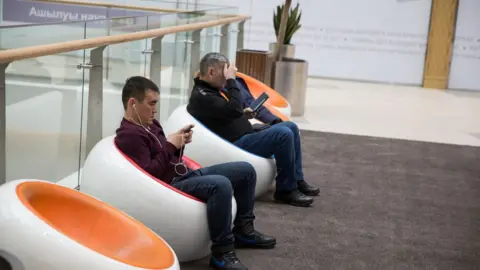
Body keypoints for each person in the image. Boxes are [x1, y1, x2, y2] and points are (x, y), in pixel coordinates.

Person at [115, 76, 276, 270]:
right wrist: (169, 145)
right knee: (220, 184)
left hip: (183, 174)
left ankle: (243, 230)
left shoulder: (151, 124)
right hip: (169, 185)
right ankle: (221, 252)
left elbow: (164, 155)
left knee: (245, 170)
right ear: (133, 103)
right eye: (151, 103)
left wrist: (178, 142)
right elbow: (151, 174)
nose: (155, 109)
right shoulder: (129, 135)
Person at [187, 52, 320, 208]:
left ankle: (296, 180)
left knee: (290, 126)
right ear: (211, 72)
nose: (228, 78)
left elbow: (228, 113)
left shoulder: (210, 90)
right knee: (283, 134)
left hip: (245, 134)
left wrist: (244, 115)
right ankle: (285, 190)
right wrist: (231, 81)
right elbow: (234, 108)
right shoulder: (202, 96)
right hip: (235, 144)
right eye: (225, 73)